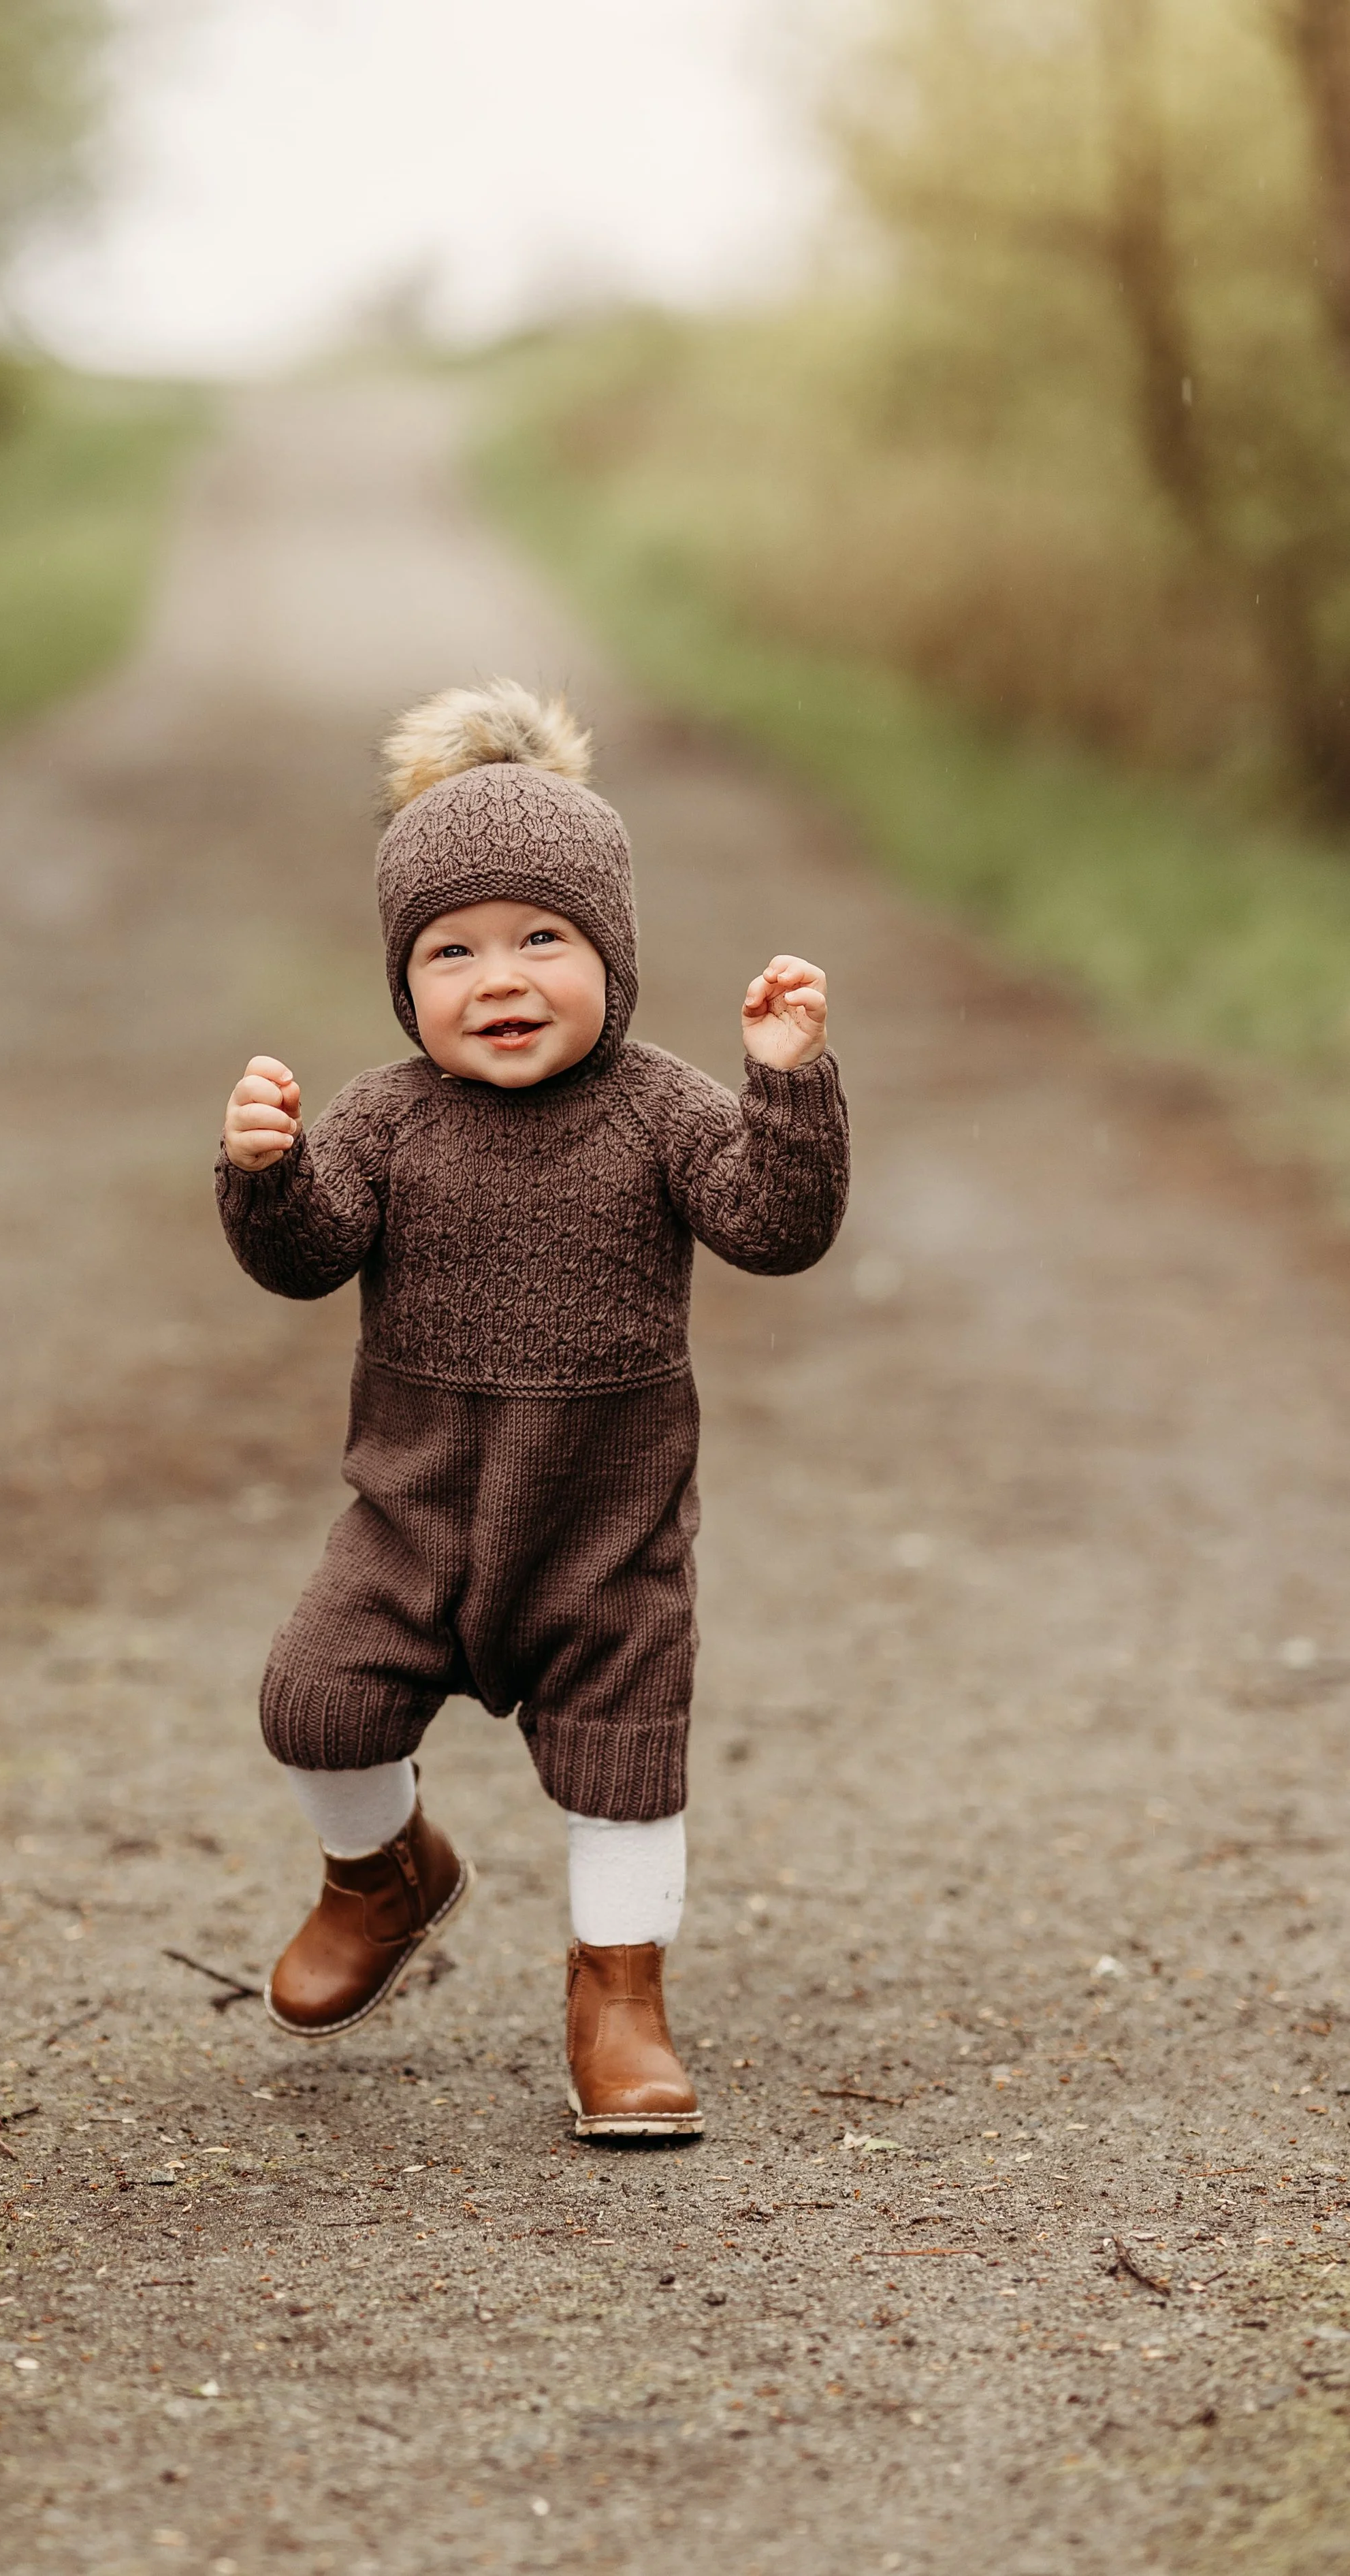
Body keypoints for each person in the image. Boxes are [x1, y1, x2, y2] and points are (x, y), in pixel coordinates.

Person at [216, 680, 848, 2137]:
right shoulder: (385, 1116)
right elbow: (306, 1256)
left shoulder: (660, 1108)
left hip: (602, 1524)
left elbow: (775, 1228)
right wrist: (267, 1174)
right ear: (404, 984)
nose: (498, 979)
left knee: (623, 1760)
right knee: (314, 1703)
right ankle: (382, 1875)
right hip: (416, 1511)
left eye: (541, 939)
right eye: (452, 951)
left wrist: (787, 1089)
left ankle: (618, 1996)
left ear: (611, 953)